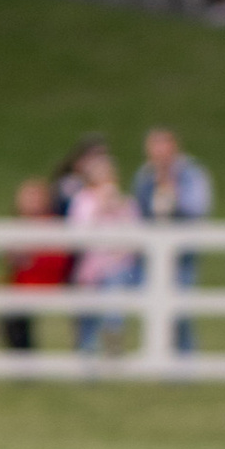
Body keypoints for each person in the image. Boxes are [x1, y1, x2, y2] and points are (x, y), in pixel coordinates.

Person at [133, 125, 212, 354]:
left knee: (181, 312)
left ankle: (186, 361)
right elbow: (137, 212)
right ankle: (157, 357)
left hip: (182, 254)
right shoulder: (145, 176)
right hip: (150, 254)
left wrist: (174, 195)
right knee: (153, 311)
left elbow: (198, 208)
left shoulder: (191, 174)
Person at [63, 138, 139, 360]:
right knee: (88, 310)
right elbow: (77, 234)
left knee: (115, 291)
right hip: (90, 266)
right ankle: (87, 351)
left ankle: (113, 335)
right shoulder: (82, 201)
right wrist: (99, 208)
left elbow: (136, 236)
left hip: (119, 265)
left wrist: (118, 208)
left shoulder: (126, 202)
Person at [2, 177, 72, 352]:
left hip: (45, 283)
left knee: (16, 311)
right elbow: (10, 260)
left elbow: (57, 260)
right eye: (26, 197)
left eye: (34, 197)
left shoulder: (52, 224)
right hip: (21, 285)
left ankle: (24, 357)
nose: (29, 202)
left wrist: (29, 259)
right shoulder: (18, 224)